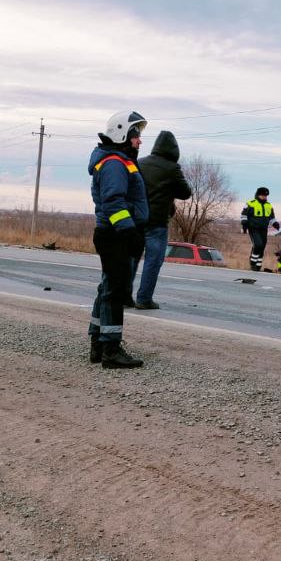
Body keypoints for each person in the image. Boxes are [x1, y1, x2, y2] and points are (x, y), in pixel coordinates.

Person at [87, 110, 149, 369]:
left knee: (107, 287)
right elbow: (114, 202)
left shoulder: (118, 160)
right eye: (136, 135)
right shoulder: (115, 163)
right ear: (123, 133)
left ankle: (99, 344)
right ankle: (111, 350)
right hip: (115, 234)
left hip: (112, 232)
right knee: (114, 290)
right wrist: (128, 231)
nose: (139, 141)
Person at [133, 130, 192, 309]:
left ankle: (123, 296)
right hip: (157, 222)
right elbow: (185, 192)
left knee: (132, 258)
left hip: (136, 219)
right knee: (153, 260)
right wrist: (168, 189)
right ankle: (143, 299)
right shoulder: (171, 168)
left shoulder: (140, 163)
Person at [240, 186, 279, 271]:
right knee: (258, 245)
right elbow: (244, 215)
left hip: (264, 229)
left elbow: (272, 218)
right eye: (262, 195)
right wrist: (244, 224)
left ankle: (258, 266)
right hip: (253, 229)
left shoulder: (269, 205)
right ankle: (252, 263)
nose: (264, 197)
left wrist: (275, 223)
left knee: (262, 247)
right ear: (258, 195)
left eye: (265, 196)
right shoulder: (250, 203)